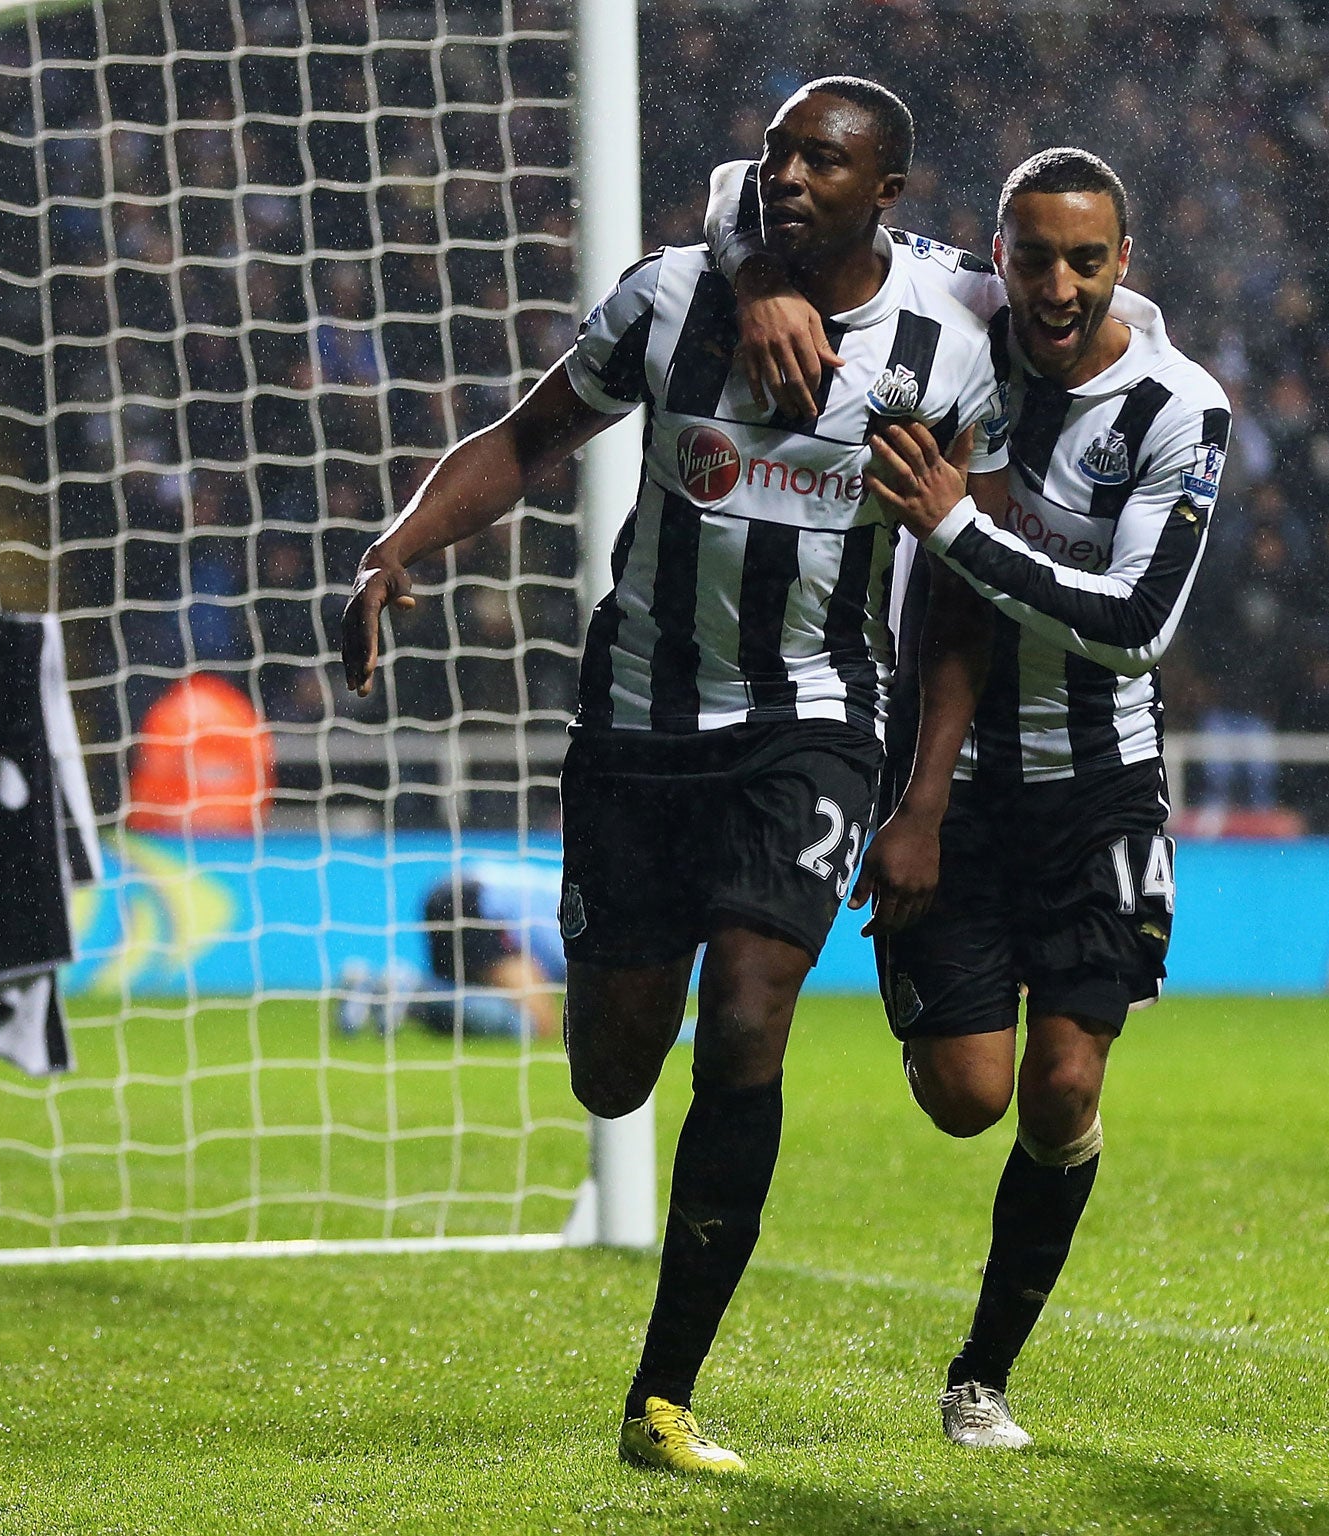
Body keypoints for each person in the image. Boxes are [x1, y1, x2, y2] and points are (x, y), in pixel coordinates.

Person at [342, 77, 1008, 1476]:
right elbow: (528, 441)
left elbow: (963, 589)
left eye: (824, 160)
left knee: (752, 1015)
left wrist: (927, 798)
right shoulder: (666, 300)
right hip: (639, 714)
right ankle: (630, 1117)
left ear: (886, 188)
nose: (789, 175)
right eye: (776, 153)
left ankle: (663, 1395)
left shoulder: (950, 345)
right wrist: (400, 547)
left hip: (814, 718)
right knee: (611, 1071)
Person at [706, 148, 1229, 1449]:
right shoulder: (947, 309)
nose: (1057, 285)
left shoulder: (1178, 409)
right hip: (954, 779)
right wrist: (769, 279)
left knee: (1059, 1087)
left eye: (1086, 260)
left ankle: (979, 1375)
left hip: (1101, 784)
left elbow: (1138, 623)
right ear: (993, 251)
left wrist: (953, 527)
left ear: (1126, 263)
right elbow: (739, 183)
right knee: (964, 1097)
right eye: (1033, 255)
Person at [338, 861, 567, 1042]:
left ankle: (369, 985)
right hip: (475, 903)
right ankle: (413, 992)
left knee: (468, 997)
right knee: (537, 1024)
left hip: (453, 890)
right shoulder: (592, 927)